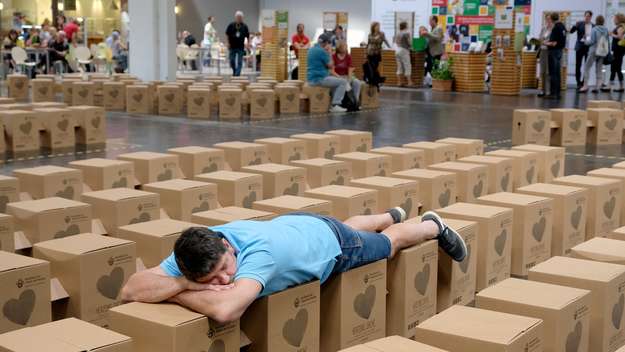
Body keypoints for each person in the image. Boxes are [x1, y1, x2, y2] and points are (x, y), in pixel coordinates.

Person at [121, 208, 467, 323]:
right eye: (211, 279)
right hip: (299, 226)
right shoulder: (198, 248)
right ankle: (389, 214)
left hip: (332, 247)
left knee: (388, 243)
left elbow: (227, 310)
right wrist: (187, 283)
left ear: (226, 245)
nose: (225, 279)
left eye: (226, 269)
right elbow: (130, 289)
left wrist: (179, 288)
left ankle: (431, 226)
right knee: (347, 224)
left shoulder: (261, 255)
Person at [307, 33, 348, 113]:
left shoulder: (311, 49)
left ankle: (332, 103)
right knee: (343, 82)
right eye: (328, 43)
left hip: (311, 78)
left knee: (335, 83)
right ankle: (336, 105)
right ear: (326, 43)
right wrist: (329, 52)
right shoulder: (321, 51)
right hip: (319, 79)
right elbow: (331, 65)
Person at [579, 15, 609, 93]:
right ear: (603, 21)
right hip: (602, 52)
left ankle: (585, 86)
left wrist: (585, 41)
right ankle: (597, 87)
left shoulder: (594, 29)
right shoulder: (606, 30)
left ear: (596, 21)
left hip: (593, 51)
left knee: (586, 67)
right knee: (599, 69)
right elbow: (607, 41)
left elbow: (592, 41)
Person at [543, 12, 566, 99]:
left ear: (552, 19)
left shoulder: (556, 28)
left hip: (554, 52)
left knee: (553, 73)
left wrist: (545, 43)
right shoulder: (562, 26)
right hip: (560, 51)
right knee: (558, 73)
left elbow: (554, 43)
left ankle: (553, 93)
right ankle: (558, 93)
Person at [332, 40, 362, 106]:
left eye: (345, 47)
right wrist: (340, 78)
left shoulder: (348, 56)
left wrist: (349, 80)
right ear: (339, 48)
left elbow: (350, 70)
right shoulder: (333, 56)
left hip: (347, 76)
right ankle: (341, 102)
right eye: (343, 48)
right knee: (343, 83)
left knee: (357, 82)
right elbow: (332, 71)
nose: (344, 50)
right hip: (337, 76)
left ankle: (355, 101)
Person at [570, 11, 594, 88]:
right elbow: (571, 31)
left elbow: (594, 38)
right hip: (580, 47)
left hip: (588, 48)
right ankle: (578, 82)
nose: (587, 17)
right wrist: (574, 26)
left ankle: (584, 82)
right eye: (586, 16)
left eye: (588, 16)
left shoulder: (593, 26)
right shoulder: (579, 23)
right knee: (578, 65)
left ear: (591, 17)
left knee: (586, 66)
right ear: (584, 16)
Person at [225, 11, 250, 77]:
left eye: (240, 17)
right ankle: (235, 71)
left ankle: (237, 74)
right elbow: (227, 34)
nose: (239, 18)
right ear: (235, 17)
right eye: (238, 17)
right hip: (232, 46)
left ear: (242, 18)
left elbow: (247, 36)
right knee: (232, 61)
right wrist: (227, 43)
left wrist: (248, 43)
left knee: (239, 61)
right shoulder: (231, 25)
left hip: (240, 47)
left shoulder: (245, 26)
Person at [422, 16, 444, 82]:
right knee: (429, 66)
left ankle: (436, 82)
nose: (429, 22)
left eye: (430, 21)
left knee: (435, 67)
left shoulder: (439, 28)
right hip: (431, 51)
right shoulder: (433, 28)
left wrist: (427, 33)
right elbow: (431, 38)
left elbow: (438, 38)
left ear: (434, 20)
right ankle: (434, 81)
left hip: (436, 52)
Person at [608, 13, 625, 92]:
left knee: (615, 68)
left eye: (615, 19)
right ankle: (617, 86)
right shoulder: (621, 26)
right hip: (619, 50)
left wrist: (612, 34)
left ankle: (611, 86)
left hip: (618, 50)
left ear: (618, 19)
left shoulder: (620, 26)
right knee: (616, 68)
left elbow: (620, 37)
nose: (614, 20)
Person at [537, 14, 553, 97]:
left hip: (549, 51)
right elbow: (540, 38)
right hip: (542, 50)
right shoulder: (544, 28)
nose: (548, 21)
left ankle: (548, 91)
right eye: (547, 19)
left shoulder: (553, 29)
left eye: (549, 19)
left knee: (548, 72)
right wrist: (541, 41)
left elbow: (553, 41)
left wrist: (546, 42)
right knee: (542, 71)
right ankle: (542, 90)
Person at [394, 21, 413, 87]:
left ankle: (399, 82)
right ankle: (409, 82)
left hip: (397, 50)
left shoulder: (398, 33)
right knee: (407, 66)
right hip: (404, 50)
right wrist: (411, 47)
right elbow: (409, 43)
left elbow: (396, 42)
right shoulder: (407, 33)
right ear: (405, 26)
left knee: (399, 67)